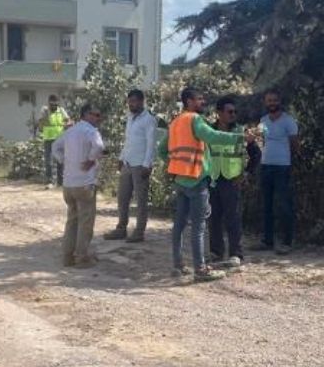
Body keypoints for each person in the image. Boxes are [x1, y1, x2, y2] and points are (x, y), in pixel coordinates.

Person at [159, 87, 246, 283]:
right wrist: (239, 138)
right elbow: (213, 137)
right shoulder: (194, 120)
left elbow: (161, 150)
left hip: (180, 180)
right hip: (197, 179)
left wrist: (175, 164)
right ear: (189, 101)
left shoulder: (174, 123)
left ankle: (178, 265)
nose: (202, 101)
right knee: (199, 227)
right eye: (199, 99)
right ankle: (200, 269)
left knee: (179, 225)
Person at [51, 103, 105, 268]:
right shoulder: (90, 131)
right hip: (84, 184)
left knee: (72, 220)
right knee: (85, 223)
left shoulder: (70, 131)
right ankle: (82, 258)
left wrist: (63, 161)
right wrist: (90, 160)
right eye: (95, 115)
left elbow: (55, 147)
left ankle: (67, 257)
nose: (98, 118)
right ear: (86, 115)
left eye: (98, 115)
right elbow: (99, 147)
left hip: (68, 184)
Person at [103, 89, 157, 243]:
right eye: (129, 102)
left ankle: (139, 232)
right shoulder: (130, 118)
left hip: (141, 165)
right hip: (127, 163)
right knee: (122, 198)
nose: (131, 104)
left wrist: (147, 164)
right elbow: (128, 141)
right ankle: (121, 229)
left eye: (134, 101)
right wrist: (121, 157)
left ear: (141, 101)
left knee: (141, 200)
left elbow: (151, 144)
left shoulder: (149, 119)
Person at [207, 96, 249, 266]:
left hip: (232, 180)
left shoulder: (240, 131)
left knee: (233, 218)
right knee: (214, 218)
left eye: (234, 112)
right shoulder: (209, 131)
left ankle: (236, 254)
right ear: (219, 113)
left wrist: (245, 174)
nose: (233, 115)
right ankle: (216, 252)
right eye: (229, 111)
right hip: (213, 179)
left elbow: (255, 154)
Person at [257, 90, 300, 254]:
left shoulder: (288, 121)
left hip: (282, 167)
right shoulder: (263, 121)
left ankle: (287, 242)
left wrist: (290, 163)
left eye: (275, 100)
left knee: (284, 205)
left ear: (279, 101)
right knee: (266, 205)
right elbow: (261, 141)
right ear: (265, 102)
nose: (272, 103)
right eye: (269, 100)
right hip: (266, 166)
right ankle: (267, 241)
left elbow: (295, 145)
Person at [38, 94, 70, 188]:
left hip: (60, 138)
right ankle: (50, 181)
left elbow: (68, 120)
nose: (54, 107)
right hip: (49, 138)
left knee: (61, 160)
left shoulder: (61, 110)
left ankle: (61, 182)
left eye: (55, 104)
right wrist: (46, 114)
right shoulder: (45, 111)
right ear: (49, 103)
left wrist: (67, 123)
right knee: (48, 161)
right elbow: (42, 122)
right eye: (52, 104)